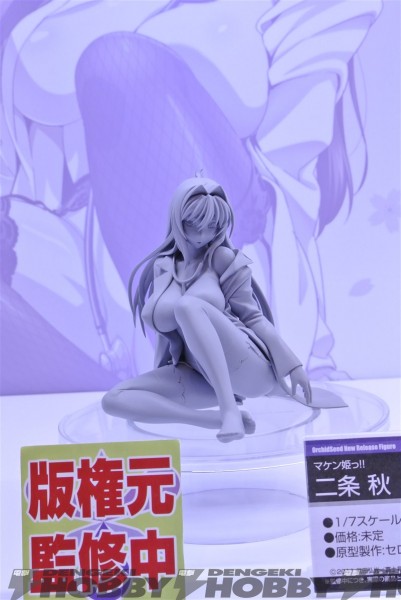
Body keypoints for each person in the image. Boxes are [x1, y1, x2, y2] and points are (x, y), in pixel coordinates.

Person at [102, 177, 311, 443]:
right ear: (178, 220)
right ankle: (213, 420)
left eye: (212, 226)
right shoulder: (163, 267)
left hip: (247, 367)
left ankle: (228, 410)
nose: (203, 235)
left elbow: (254, 317)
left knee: (187, 306)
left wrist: (293, 366)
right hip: (199, 373)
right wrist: (160, 375)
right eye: (194, 224)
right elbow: (165, 337)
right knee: (114, 399)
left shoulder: (222, 259)